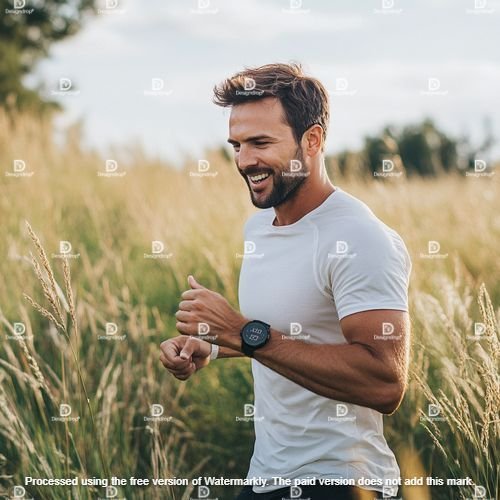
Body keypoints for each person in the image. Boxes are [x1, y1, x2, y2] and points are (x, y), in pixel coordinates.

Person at [159, 63, 411, 500]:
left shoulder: (360, 238)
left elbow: (385, 382)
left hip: (341, 481)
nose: (244, 161)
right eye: (236, 145)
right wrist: (216, 345)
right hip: (267, 476)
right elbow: (294, 334)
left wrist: (243, 332)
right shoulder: (259, 228)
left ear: (311, 141)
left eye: (260, 143)